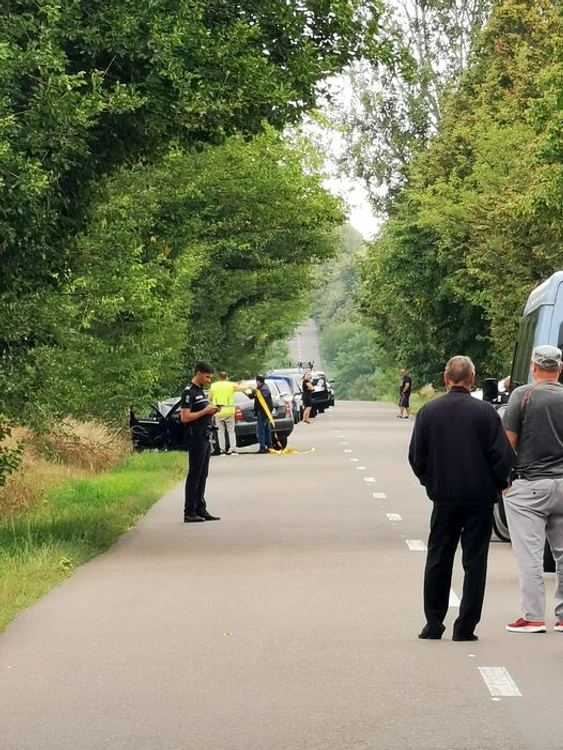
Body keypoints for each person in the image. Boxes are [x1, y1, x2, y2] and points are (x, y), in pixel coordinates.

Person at [408, 356, 513, 641]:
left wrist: (430, 482)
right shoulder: (485, 413)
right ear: (472, 379)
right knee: (475, 561)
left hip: (444, 497)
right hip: (479, 497)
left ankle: (433, 623)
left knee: (439, 557)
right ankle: (465, 627)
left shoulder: (429, 412)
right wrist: (499, 483)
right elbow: (502, 456)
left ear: (446, 379)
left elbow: (417, 456)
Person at [502, 345, 563, 633]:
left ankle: (533, 616)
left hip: (530, 486)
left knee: (530, 554)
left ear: (534, 368)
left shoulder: (522, 395)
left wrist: (504, 483)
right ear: (559, 369)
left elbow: (509, 441)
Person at [180, 361, 221, 523]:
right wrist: (205, 411)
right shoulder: (188, 392)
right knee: (195, 474)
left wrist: (212, 410)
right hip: (195, 436)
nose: (209, 380)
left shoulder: (200, 391)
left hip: (205, 435)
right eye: (207, 376)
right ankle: (189, 511)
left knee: (203, 475)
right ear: (198, 373)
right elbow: (185, 417)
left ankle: (200, 508)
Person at [209, 371, 239, 456]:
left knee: (220, 432)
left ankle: (222, 451)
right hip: (229, 411)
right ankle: (233, 450)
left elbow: (209, 397)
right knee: (231, 431)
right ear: (226, 377)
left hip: (218, 412)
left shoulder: (213, 386)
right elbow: (242, 388)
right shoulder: (231, 385)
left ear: (219, 377)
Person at [247, 375, 273, 453]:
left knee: (261, 430)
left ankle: (263, 448)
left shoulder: (263, 389)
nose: (256, 383)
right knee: (266, 430)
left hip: (263, 412)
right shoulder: (261, 388)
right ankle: (269, 446)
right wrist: (248, 392)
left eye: (256, 381)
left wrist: (256, 392)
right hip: (264, 412)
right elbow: (252, 396)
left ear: (258, 381)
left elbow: (262, 397)